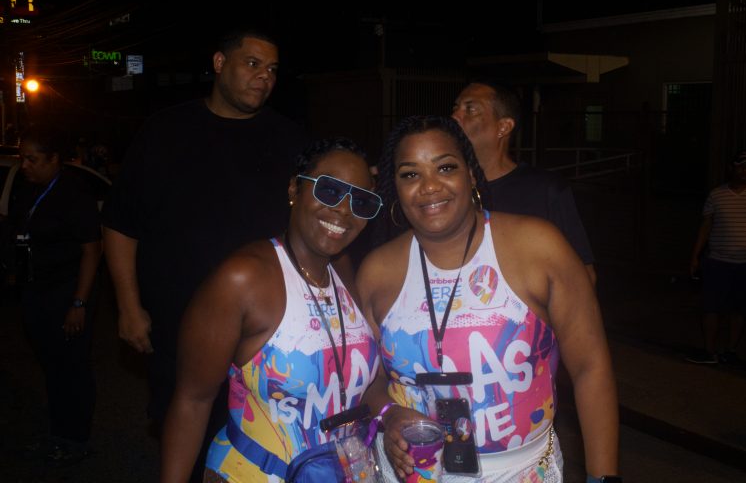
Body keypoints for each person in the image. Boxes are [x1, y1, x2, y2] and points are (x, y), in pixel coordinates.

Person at [358, 116, 619, 482]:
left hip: (523, 471)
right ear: (395, 188)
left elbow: (591, 367)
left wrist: (603, 477)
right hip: (412, 473)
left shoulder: (538, 247)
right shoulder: (376, 272)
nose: (429, 186)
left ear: (471, 173)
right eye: (410, 174)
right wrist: (389, 413)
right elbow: (367, 382)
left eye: (445, 167)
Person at [101, 26, 309, 475]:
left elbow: (313, 225)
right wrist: (128, 306)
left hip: (263, 333)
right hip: (176, 325)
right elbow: (120, 225)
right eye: (252, 64)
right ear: (219, 63)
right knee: (185, 438)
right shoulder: (164, 131)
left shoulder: (289, 139)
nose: (264, 77)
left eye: (272, 69)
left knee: (260, 446)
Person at [160, 138, 382, 482]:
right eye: (329, 190)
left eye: (361, 200)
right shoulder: (243, 278)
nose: (344, 209)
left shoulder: (344, 270)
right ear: (294, 189)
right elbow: (193, 401)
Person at [13, 127, 102, 465]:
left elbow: (92, 250)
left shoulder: (73, 193)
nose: (24, 165)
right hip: (37, 290)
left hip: (67, 293)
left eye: (32, 159)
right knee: (52, 365)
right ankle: (58, 433)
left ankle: (75, 439)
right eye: (22, 158)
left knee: (71, 367)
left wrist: (78, 303)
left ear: (53, 160)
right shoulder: (28, 188)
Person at [451, 80, 596, 284]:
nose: (455, 116)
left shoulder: (545, 190)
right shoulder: (443, 190)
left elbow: (583, 277)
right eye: (455, 108)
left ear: (503, 127)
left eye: (470, 109)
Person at [687, 150, 746, 364]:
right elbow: (706, 226)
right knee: (710, 307)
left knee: (740, 309)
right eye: (740, 166)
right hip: (718, 261)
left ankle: (730, 351)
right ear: (732, 168)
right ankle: (709, 351)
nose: (744, 171)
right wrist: (695, 256)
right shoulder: (716, 195)